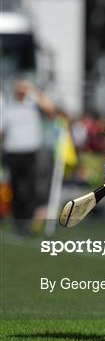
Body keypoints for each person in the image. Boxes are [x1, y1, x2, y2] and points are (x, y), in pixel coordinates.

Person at [0, 80, 56, 235]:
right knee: (16, 189)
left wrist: (34, 90)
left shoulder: (34, 106)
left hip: (30, 152)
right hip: (12, 152)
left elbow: (51, 109)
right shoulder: (7, 108)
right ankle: (18, 222)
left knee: (31, 189)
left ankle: (28, 221)